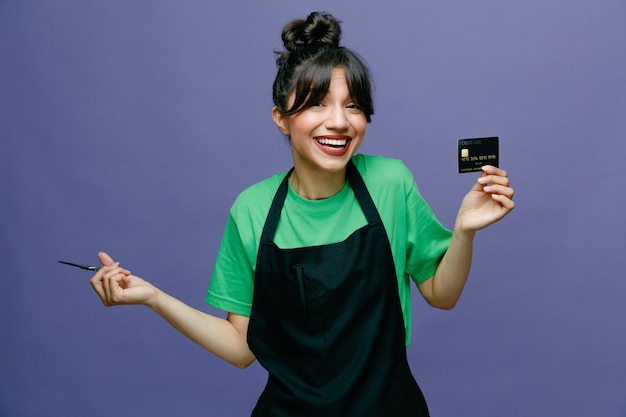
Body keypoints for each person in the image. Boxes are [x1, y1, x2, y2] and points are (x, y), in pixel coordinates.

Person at [90, 11, 515, 417]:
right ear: (281, 118)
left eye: (353, 106)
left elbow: (442, 296)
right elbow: (242, 348)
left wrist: (464, 231)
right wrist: (153, 298)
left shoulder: (390, 182)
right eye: (317, 104)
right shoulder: (253, 209)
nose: (339, 122)